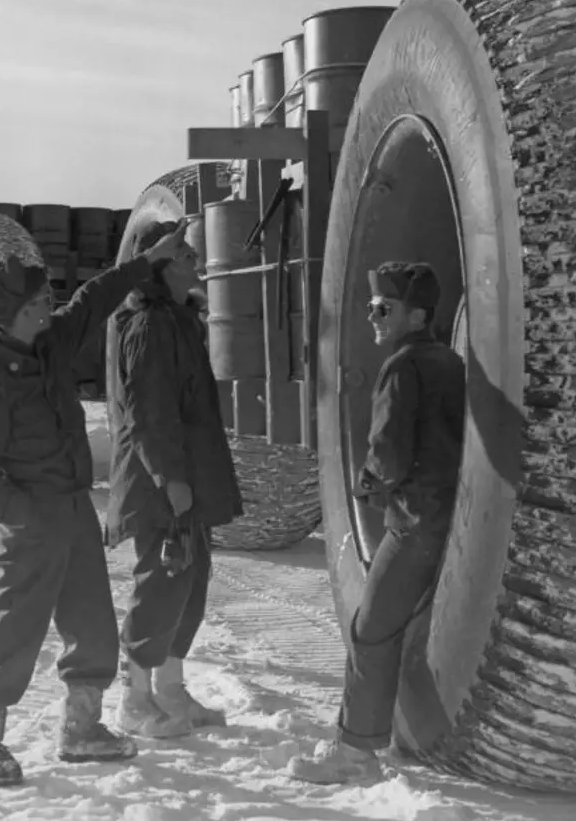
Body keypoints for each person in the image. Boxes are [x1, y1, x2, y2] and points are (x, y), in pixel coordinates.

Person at [0, 222, 191, 788]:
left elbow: (95, 298)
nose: (47, 308)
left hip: (75, 509)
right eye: (35, 302)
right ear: (9, 313)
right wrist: (19, 512)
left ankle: (82, 729)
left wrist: (146, 262)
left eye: (46, 299)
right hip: (33, 518)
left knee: (93, 625)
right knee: (16, 630)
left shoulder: (52, 341)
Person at [287, 260, 465, 784]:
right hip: (449, 515)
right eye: (370, 307)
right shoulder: (450, 363)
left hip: (413, 522)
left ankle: (355, 754)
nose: (372, 316)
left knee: (370, 631)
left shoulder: (402, 366)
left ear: (417, 315)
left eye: (383, 308)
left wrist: (366, 483)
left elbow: (387, 451)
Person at [105, 218, 244, 739]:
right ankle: (133, 699)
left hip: (185, 477)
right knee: (162, 582)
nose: (194, 258)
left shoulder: (181, 320)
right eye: (182, 253)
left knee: (190, 580)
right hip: (158, 480)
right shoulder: (149, 326)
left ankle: (169, 689)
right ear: (157, 268)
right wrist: (170, 480)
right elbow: (148, 415)